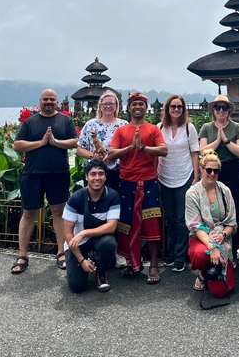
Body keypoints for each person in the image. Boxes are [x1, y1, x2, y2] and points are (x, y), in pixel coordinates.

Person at [11, 89, 78, 275]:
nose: (49, 102)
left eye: (52, 99)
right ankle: (23, 255)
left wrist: (55, 142)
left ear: (57, 102)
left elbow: (75, 142)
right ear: (40, 101)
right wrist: (40, 143)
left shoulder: (66, 121)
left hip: (58, 173)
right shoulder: (30, 122)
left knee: (58, 212)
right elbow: (17, 145)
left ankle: (61, 253)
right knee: (29, 213)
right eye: (45, 99)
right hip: (32, 173)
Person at [108, 92, 168, 284]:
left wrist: (143, 148)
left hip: (148, 181)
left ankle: (153, 264)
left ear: (145, 107)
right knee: (126, 224)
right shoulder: (121, 131)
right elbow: (111, 154)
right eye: (134, 105)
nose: (138, 108)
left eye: (141, 104)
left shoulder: (152, 129)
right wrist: (130, 148)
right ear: (129, 108)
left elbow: (163, 150)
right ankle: (132, 263)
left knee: (151, 223)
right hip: (126, 182)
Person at [76, 90, 128, 268]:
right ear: (100, 106)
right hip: (94, 173)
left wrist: (115, 157)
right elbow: (79, 149)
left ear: (116, 106)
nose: (108, 106)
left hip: (115, 173)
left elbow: (129, 149)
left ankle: (117, 250)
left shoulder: (123, 125)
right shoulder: (91, 125)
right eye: (105, 103)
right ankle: (89, 249)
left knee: (115, 212)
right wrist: (93, 156)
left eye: (111, 103)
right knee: (91, 210)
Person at [199, 94, 239, 258]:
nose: (221, 110)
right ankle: (213, 247)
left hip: (232, 168)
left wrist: (226, 140)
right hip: (212, 170)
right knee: (213, 208)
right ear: (213, 110)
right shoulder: (207, 127)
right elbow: (203, 150)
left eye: (224, 107)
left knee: (235, 208)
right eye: (218, 107)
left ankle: (237, 251)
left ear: (228, 110)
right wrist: (218, 140)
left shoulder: (236, 127)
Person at [63, 159, 120, 293]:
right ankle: (81, 264)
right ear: (86, 177)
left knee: (109, 242)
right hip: (75, 244)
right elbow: (67, 233)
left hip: (96, 240)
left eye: (101, 174)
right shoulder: (76, 199)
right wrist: (81, 260)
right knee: (77, 287)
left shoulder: (112, 196)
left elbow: (111, 227)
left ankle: (101, 273)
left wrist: (84, 233)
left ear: (106, 176)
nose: (97, 178)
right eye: (93, 174)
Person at [157, 94, 199, 273]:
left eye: (179, 107)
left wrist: (196, 177)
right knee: (170, 218)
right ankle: (171, 252)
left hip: (184, 177)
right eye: (173, 106)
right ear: (167, 109)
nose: (176, 110)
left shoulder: (189, 128)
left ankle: (181, 256)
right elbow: (156, 153)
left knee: (182, 219)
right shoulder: (159, 128)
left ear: (183, 109)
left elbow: (195, 153)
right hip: (164, 177)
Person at [185, 152, 237, 293]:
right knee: (202, 254)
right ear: (201, 170)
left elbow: (231, 222)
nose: (212, 173)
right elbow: (195, 225)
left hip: (221, 236)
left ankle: (216, 271)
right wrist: (212, 247)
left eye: (216, 170)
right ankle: (203, 273)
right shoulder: (192, 193)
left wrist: (223, 236)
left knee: (221, 292)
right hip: (201, 236)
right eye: (208, 170)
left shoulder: (225, 191)